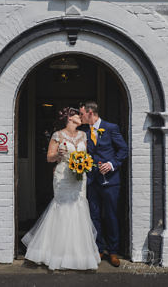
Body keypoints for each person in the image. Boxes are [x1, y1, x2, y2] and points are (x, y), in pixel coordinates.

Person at [21, 107, 101, 270]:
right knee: (62, 209)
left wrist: (84, 163)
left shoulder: (83, 135)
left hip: (79, 178)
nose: (80, 116)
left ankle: (78, 254)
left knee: (78, 207)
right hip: (63, 176)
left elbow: (86, 156)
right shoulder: (57, 135)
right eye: (77, 115)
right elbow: (49, 157)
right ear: (70, 118)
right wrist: (59, 155)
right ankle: (55, 254)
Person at [79, 101, 128, 267]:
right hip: (92, 181)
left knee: (111, 216)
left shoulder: (111, 128)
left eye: (82, 114)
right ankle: (99, 248)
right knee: (94, 215)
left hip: (111, 181)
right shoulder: (83, 131)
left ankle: (113, 251)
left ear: (90, 113)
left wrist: (112, 164)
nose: (80, 117)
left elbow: (123, 150)